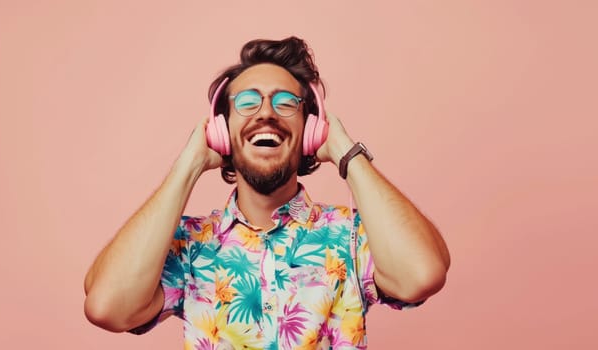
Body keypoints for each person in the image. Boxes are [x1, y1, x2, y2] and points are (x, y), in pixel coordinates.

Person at [84, 36, 450, 349]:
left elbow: (421, 274)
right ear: (221, 130)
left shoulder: (351, 236)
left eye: (285, 102)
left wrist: (346, 152)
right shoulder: (191, 246)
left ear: (311, 127)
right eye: (246, 102)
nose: (266, 113)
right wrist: (187, 166)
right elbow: (107, 306)